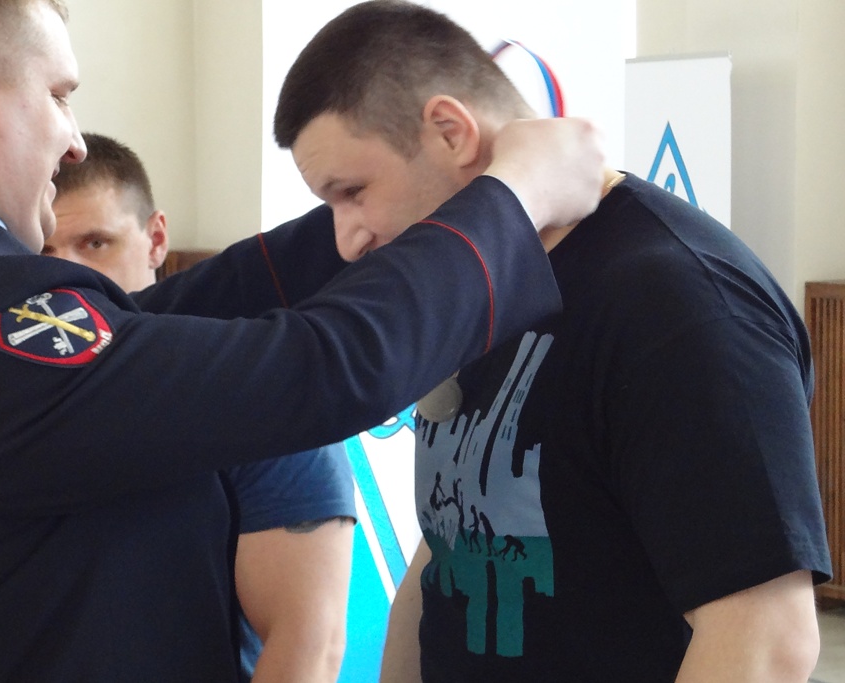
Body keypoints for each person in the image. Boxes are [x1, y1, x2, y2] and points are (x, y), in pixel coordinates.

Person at [0, 0, 607, 680]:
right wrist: (514, 197)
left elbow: (157, 325)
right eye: (58, 96)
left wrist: (392, 201)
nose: (74, 142)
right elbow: (321, 368)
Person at [272, 2, 833, 681]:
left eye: (353, 192)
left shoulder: (679, 304)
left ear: (450, 132)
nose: (347, 239)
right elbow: (453, 539)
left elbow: (766, 640)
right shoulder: (482, 290)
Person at [42, 132, 357, 682]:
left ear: (156, 239)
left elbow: (309, 647)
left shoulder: (248, 391)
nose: (71, 276)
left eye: (95, 243)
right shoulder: (7, 392)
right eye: (43, 253)